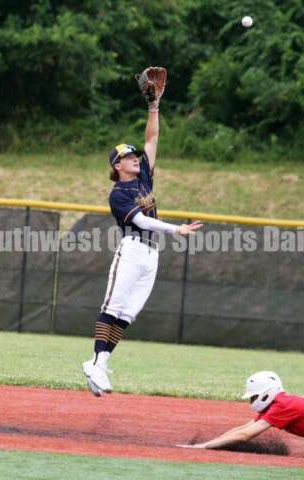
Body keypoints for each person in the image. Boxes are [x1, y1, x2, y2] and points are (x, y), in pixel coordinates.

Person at [82, 67, 203, 397]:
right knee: (114, 305)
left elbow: (152, 138)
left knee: (128, 315)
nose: (135, 158)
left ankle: (101, 364)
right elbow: (144, 222)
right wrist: (174, 228)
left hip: (152, 255)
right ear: (116, 166)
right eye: (127, 157)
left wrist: (154, 106)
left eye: (134, 155)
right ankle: (95, 361)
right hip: (133, 250)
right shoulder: (118, 195)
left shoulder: (144, 178)